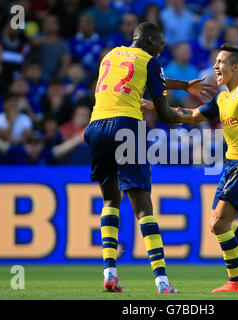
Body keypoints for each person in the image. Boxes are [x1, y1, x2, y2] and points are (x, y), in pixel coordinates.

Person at [84, 22, 216, 294]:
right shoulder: (150, 61)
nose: (161, 48)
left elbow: (141, 78)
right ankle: (162, 281)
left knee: (110, 200)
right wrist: (197, 116)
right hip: (126, 127)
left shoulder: (111, 55)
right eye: (160, 43)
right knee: (143, 206)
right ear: (149, 40)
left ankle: (110, 273)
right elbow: (165, 114)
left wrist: (183, 85)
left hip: (96, 126)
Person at [142, 44, 238, 292]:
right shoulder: (222, 98)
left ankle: (236, 282)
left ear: (236, 67)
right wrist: (156, 106)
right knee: (218, 224)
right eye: (215, 62)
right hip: (232, 164)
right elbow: (192, 115)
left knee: (219, 223)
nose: (215, 66)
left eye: (220, 62)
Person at [0, 122, 84, 165]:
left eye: (37, 142)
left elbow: (63, 148)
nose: (33, 145)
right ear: (24, 144)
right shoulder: (16, 151)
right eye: (30, 142)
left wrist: (81, 136)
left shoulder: (46, 153)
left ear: (42, 144)